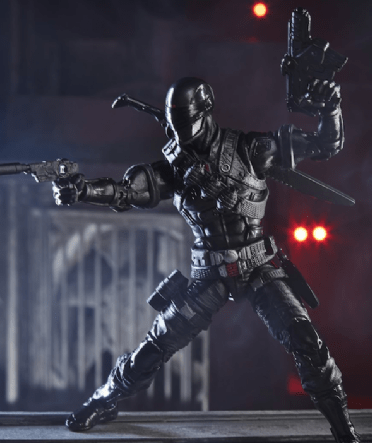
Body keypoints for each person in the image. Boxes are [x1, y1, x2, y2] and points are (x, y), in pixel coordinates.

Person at [53, 76, 361, 443]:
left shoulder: (250, 149)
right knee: (156, 345)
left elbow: (325, 145)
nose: (183, 134)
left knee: (305, 339)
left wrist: (330, 110)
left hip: (258, 265)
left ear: (206, 111)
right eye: (177, 124)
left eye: (189, 122)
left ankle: (343, 430)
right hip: (209, 275)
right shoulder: (174, 167)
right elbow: (126, 192)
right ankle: (103, 399)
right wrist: (84, 190)